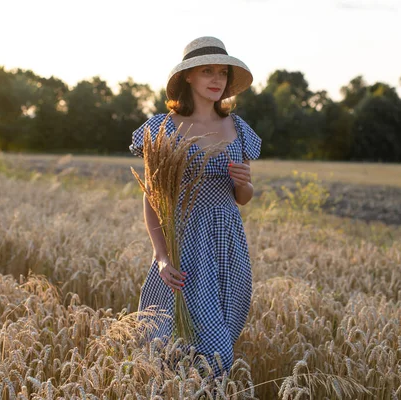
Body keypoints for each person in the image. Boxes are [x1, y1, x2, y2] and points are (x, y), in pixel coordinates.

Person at [129, 36, 261, 376]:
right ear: (188, 76)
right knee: (174, 347)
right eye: (207, 71)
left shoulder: (240, 130)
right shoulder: (161, 128)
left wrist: (244, 183)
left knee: (220, 343)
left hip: (227, 243)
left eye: (222, 72)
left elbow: (242, 198)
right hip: (181, 242)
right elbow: (152, 197)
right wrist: (160, 256)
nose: (217, 80)